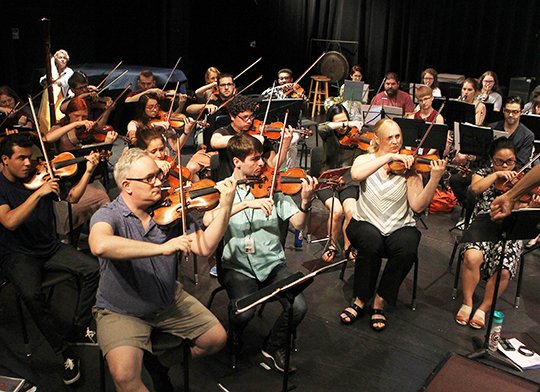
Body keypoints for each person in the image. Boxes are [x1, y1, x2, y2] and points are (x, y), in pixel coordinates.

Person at [88, 148, 236, 391]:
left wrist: (227, 205)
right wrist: (162, 248)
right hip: (122, 310)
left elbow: (206, 246)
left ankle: (160, 363)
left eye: (158, 175)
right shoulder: (109, 214)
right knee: (125, 378)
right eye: (150, 178)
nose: (159, 182)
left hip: (168, 300)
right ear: (127, 186)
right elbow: (99, 244)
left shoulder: (173, 211)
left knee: (216, 339)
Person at [202, 133, 317, 373]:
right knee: (243, 314)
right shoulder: (223, 189)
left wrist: (305, 202)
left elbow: (298, 223)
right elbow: (207, 219)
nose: (262, 164)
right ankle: (236, 335)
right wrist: (243, 204)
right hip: (238, 266)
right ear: (237, 162)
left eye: (261, 158)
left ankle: (274, 345)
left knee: (299, 307)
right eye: (255, 159)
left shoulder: (273, 186)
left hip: (272, 263)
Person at [0, 133, 100, 385]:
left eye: (31, 158)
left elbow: (73, 198)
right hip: (17, 254)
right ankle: (62, 350)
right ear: (4, 160)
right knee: (32, 296)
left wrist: (88, 171)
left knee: (92, 268)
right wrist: (37, 194)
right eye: (20, 158)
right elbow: (9, 221)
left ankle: (77, 326)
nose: (28, 164)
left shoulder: (42, 173)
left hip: (49, 247)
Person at [340, 118, 446, 331]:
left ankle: (380, 299)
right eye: (390, 137)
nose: (397, 141)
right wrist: (387, 157)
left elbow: (417, 206)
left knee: (407, 246)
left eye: (398, 136)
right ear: (377, 140)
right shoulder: (365, 160)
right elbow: (355, 175)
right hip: (365, 222)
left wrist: (434, 179)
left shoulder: (409, 167)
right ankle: (360, 299)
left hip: (398, 225)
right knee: (371, 242)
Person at [455, 138, 537, 328]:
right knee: (472, 257)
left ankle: (483, 308)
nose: (506, 165)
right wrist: (497, 174)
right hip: (482, 226)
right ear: (492, 160)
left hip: (509, 231)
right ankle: (467, 302)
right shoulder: (483, 173)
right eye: (500, 161)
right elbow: (475, 189)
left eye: (510, 161)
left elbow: (523, 206)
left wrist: (529, 202)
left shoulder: (521, 181)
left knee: (504, 268)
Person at [317, 104, 363, 262]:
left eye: (346, 121)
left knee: (351, 211)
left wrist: (348, 178)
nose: (344, 127)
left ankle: (349, 246)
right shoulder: (327, 135)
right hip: (326, 181)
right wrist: (348, 123)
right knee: (336, 211)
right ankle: (331, 244)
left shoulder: (355, 138)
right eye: (340, 123)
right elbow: (322, 127)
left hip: (348, 182)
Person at [489, 96, 534, 169]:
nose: (510, 115)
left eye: (515, 112)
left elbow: (521, 162)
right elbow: (485, 154)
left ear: (521, 112)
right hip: (490, 169)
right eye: (507, 111)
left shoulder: (528, 135)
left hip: (511, 173)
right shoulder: (492, 127)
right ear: (503, 110)